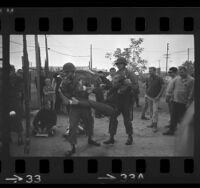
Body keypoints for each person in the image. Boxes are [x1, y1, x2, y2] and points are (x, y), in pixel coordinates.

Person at [59, 62, 100, 156]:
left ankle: (90, 139)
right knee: (73, 125)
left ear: (73, 71)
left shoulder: (83, 78)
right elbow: (64, 94)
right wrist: (71, 97)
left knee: (89, 122)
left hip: (85, 103)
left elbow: (91, 88)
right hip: (74, 106)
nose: (67, 74)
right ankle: (72, 147)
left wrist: (89, 89)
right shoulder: (64, 82)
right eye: (66, 72)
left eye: (69, 72)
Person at [103, 57, 137, 145]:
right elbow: (113, 86)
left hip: (127, 100)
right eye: (117, 64)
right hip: (117, 100)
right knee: (113, 117)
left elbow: (136, 87)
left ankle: (130, 137)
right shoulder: (116, 74)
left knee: (127, 120)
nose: (118, 65)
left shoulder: (130, 73)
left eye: (120, 63)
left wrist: (128, 86)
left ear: (124, 64)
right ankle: (111, 137)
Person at [163, 66, 194, 135]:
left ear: (186, 71)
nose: (180, 73)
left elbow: (191, 92)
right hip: (176, 101)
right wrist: (169, 96)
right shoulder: (177, 79)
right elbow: (171, 88)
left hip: (184, 102)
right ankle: (171, 130)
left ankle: (186, 131)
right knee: (173, 116)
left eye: (182, 72)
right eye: (179, 72)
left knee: (183, 117)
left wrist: (189, 102)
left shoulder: (191, 80)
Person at [146, 67, 165, 132]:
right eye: (149, 71)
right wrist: (146, 94)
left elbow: (163, 87)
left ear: (154, 71)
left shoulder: (159, 78)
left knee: (155, 112)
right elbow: (147, 86)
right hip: (149, 97)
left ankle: (155, 126)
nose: (149, 72)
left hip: (156, 98)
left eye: (151, 71)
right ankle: (152, 123)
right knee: (151, 111)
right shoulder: (149, 78)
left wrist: (158, 96)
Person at [9, 65, 24, 145]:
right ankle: (10, 137)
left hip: (14, 103)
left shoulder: (18, 78)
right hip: (10, 103)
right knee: (11, 120)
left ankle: (19, 137)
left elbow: (21, 88)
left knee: (16, 120)